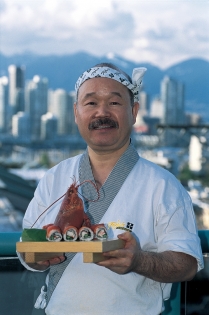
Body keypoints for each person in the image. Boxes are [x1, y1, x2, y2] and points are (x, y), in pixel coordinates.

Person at [18, 63, 204, 315]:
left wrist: (139, 261)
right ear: (76, 112)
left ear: (134, 111)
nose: (101, 113)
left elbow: (187, 264)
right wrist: (37, 258)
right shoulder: (54, 178)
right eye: (91, 103)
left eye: (114, 103)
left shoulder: (163, 184)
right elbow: (27, 251)